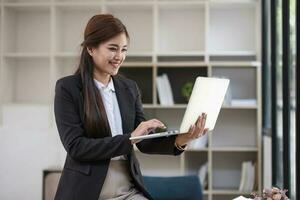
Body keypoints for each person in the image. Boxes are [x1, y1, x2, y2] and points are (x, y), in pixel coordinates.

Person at [54, 14, 208, 200]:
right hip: (87, 191)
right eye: (112, 49)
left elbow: (142, 141)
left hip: (127, 190)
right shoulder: (68, 88)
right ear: (90, 48)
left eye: (124, 49)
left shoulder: (128, 88)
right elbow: (76, 147)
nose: (119, 57)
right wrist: (129, 139)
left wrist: (182, 139)